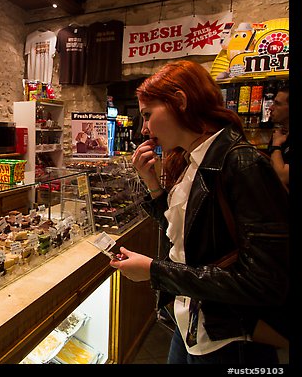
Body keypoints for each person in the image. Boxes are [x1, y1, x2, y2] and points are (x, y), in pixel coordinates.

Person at [109, 60, 289, 364]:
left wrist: (155, 271)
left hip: (229, 337)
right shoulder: (194, 159)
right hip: (190, 322)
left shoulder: (242, 164)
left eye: (148, 115)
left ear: (180, 101)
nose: (144, 129)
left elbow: (264, 282)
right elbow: (191, 233)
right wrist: (152, 183)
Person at [267, 85, 289, 192]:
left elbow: (282, 177)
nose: (271, 108)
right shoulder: (279, 134)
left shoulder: (277, 139)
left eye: (277, 104)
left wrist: (276, 146)